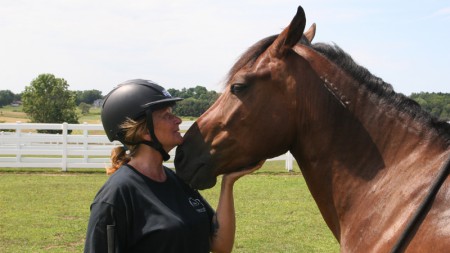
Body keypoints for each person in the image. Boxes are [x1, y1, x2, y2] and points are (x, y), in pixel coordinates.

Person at [84, 79, 261, 253]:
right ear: (145, 130)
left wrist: (227, 183)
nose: (177, 120)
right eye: (167, 115)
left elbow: (220, 246)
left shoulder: (178, 182)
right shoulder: (116, 195)